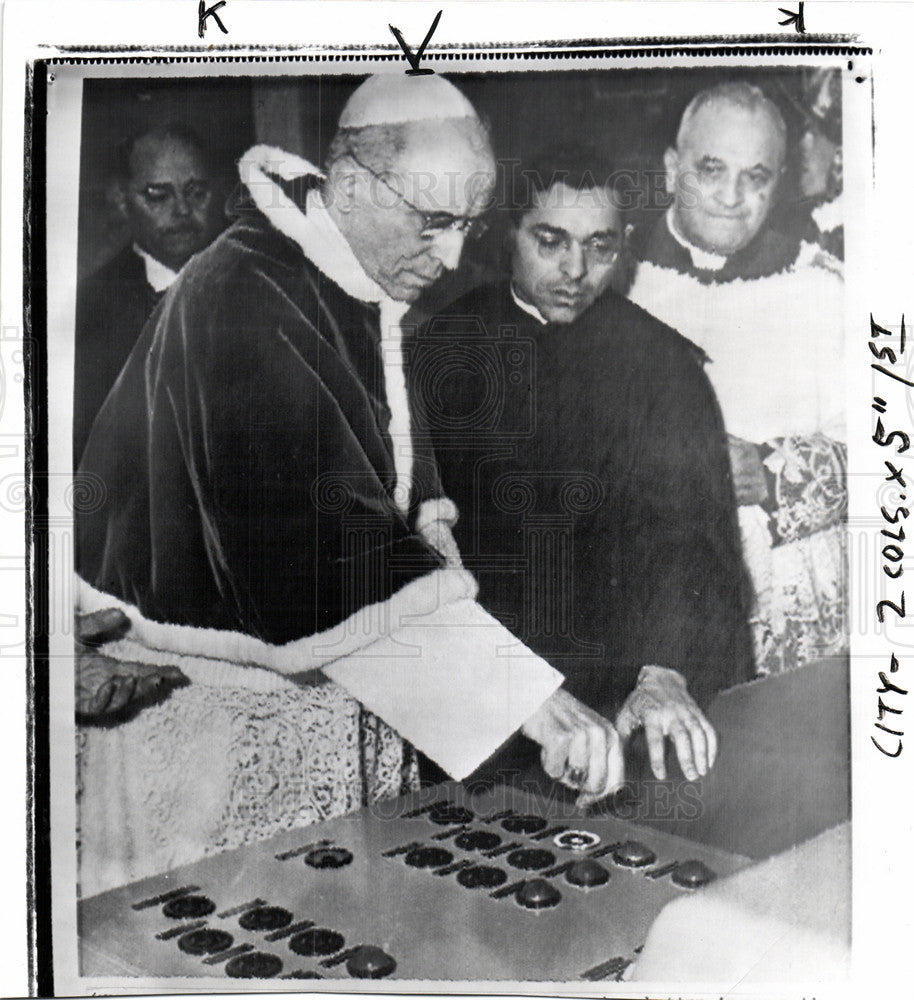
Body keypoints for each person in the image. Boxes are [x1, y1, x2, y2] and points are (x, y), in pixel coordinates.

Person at [74, 75, 623, 895]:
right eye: (434, 223)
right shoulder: (243, 295)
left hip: (330, 703)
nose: (451, 257)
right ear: (357, 185)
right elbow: (327, 556)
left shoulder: (340, 279)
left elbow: (392, 524)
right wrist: (531, 703)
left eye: (468, 226)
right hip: (209, 731)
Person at [412, 146, 753, 789]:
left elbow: (694, 545)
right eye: (551, 241)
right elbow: (410, 549)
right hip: (487, 697)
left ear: (623, 246)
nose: (576, 269)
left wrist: (666, 669)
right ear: (507, 235)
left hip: (628, 694)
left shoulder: (664, 366)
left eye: (600, 246)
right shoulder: (436, 355)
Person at [627, 81, 846, 675]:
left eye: (757, 176)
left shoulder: (823, 289)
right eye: (712, 169)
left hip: (790, 611)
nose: (731, 196)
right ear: (673, 169)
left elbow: (893, 467)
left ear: (779, 184)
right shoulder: (608, 278)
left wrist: (776, 473)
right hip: (645, 610)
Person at [73, 124, 225, 463]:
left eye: (196, 191)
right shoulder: (87, 312)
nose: (183, 210)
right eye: (159, 195)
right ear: (121, 200)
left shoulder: (255, 285)